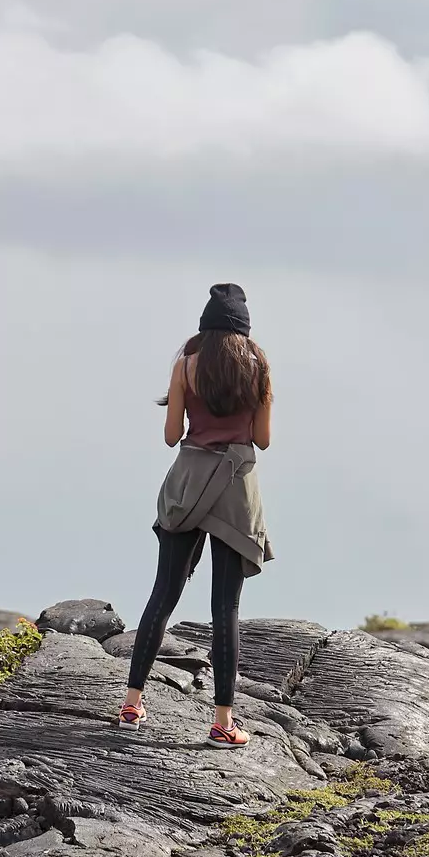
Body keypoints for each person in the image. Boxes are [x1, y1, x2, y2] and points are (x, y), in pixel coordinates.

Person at [117, 283, 275, 747]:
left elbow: (171, 436)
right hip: (235, 490)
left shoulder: (186, 362)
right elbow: (262, 440)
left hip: (187, 486)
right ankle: (222, 723)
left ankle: (131, 703)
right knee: (225, 607)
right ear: (244, 328)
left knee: (162, 595)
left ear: (205, 324)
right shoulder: (260, 366)